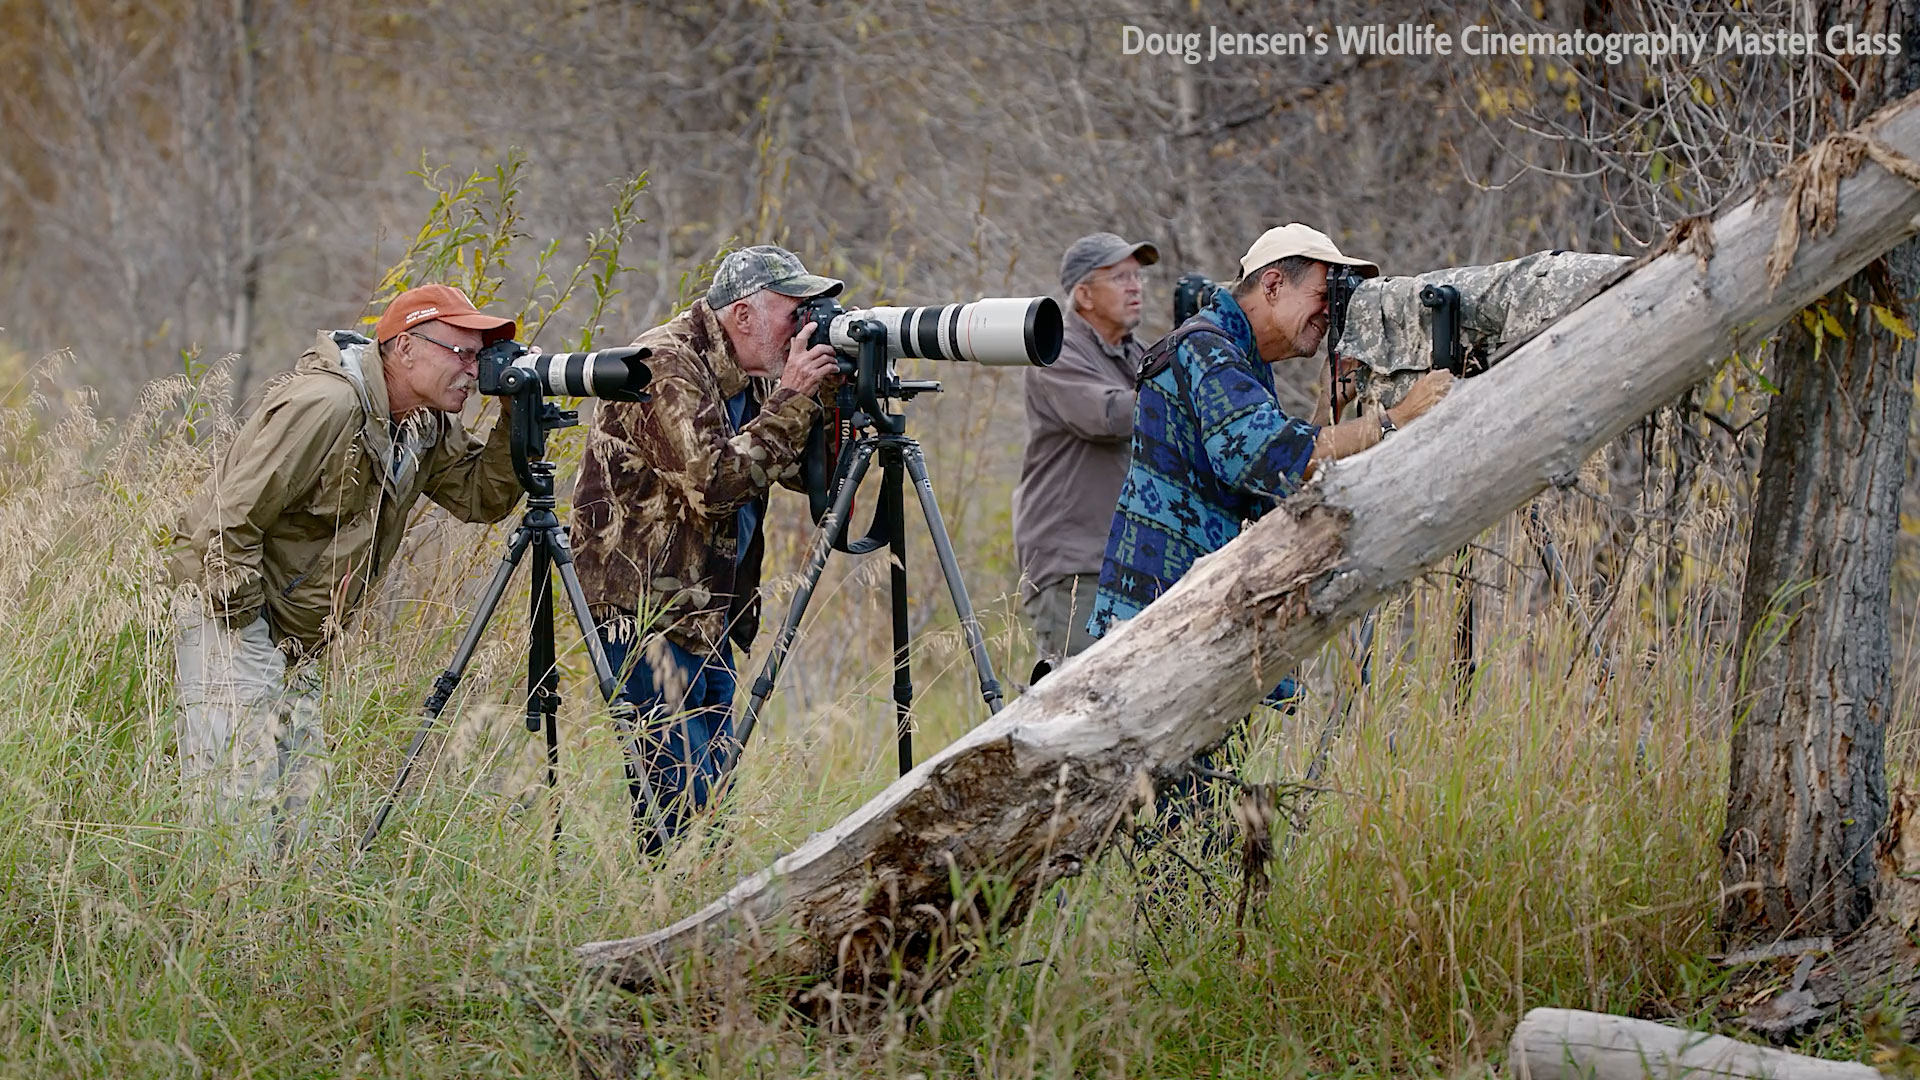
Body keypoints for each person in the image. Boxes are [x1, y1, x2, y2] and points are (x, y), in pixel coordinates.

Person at [1086, 225, 1454, 830]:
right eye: (1324, 295)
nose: (1328, 314)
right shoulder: (1206, 348)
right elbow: (1258, 454)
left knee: (1208, 823)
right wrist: (1397, 419)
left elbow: (1274, 479)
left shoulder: (1231, 356)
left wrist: (1329, 404)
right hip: (1167, 630)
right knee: (1180, 829)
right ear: (1275, 283)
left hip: (1187, 627)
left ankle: (1194, 920)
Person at [169, 283, 526, 855]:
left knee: (301, 818)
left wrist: (516, 414)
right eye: (460, 352)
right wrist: (248, 628)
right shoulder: (327, 406)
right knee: (235, 815)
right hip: (234, 620)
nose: (472, 369)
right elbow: (222, 526)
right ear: (406, 348)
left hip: (296, 639)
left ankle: (281, 935)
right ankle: (220, 932)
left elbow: (483, 497)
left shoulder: (422, 424)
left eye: (479, 356)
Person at [571, 245, 842, 852]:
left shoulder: (751, 374)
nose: (805, 326)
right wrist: (793, 396)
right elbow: (716, 486)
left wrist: (834, 404)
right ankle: (664, 925)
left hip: (711, 612)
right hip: (644, 616)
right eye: (794, 311)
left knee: (710, 810)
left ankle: (694, 917)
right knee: (678, 805)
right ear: (742, 315)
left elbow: (797, 473)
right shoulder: (664, 364)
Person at [1012, 232, 1159, 674]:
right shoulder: (1054, 350)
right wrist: (1186, 395)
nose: (1135, 286)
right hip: (1075, 567)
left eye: (1137, 277)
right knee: (1082, 707)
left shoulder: (1135, 353)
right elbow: (1109, 417)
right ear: (1084, 295)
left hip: (1126, 562)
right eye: (1119, 277)